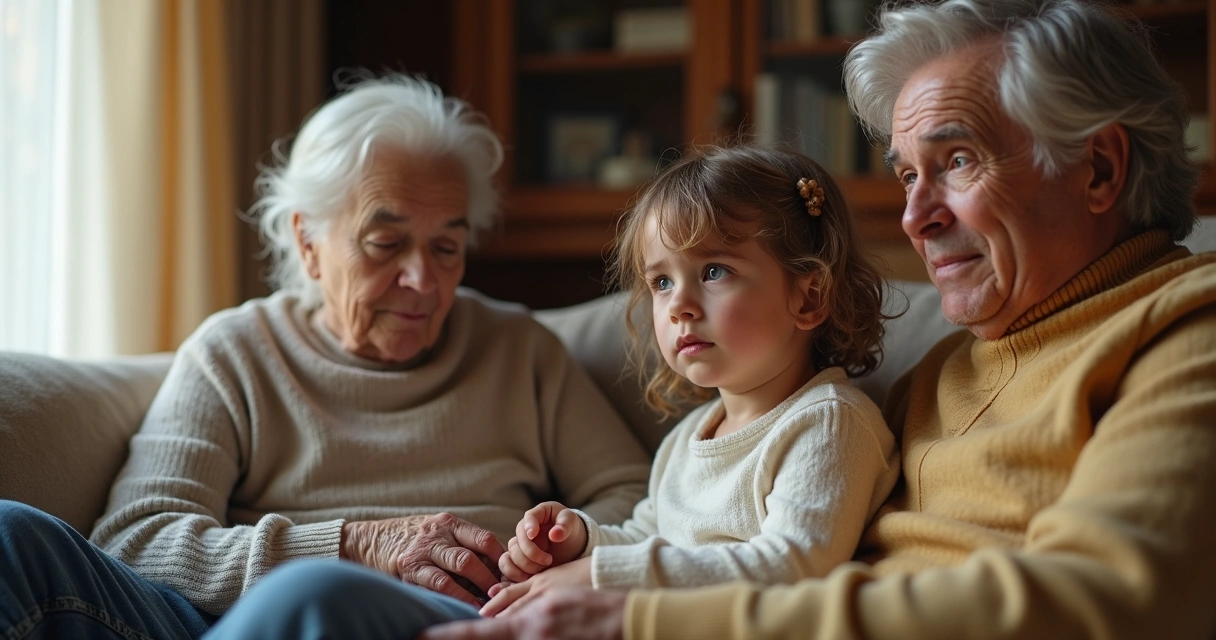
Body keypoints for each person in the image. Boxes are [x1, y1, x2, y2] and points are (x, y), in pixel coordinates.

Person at [421, 0, 1216, 638]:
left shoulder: (1186, 332)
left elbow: (1113, 600)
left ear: (1101, 169)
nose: (915, 218)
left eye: (959, 161)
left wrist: (639, 615)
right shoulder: (942, 369)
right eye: (906, 176)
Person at [0, 73, 651, 639]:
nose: (423, 280)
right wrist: (354, 544)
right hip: (215, 618)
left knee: (316, 596)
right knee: (12, 536)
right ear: (307, 242)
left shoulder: (520, 352)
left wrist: (556, 551)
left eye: (446, 248)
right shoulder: (235, 353)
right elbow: (136, 539)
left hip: (438, 616)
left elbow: (635, 497)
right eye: (385, 242)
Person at [479, 146, 900, 617]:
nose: (680, 304)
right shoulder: (688, 436)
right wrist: (580, 541)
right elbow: (645, 538)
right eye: (661, 282)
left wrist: (599, 576)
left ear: (808, 298)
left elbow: (794, 566)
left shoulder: (829, 422)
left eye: (714, 271)